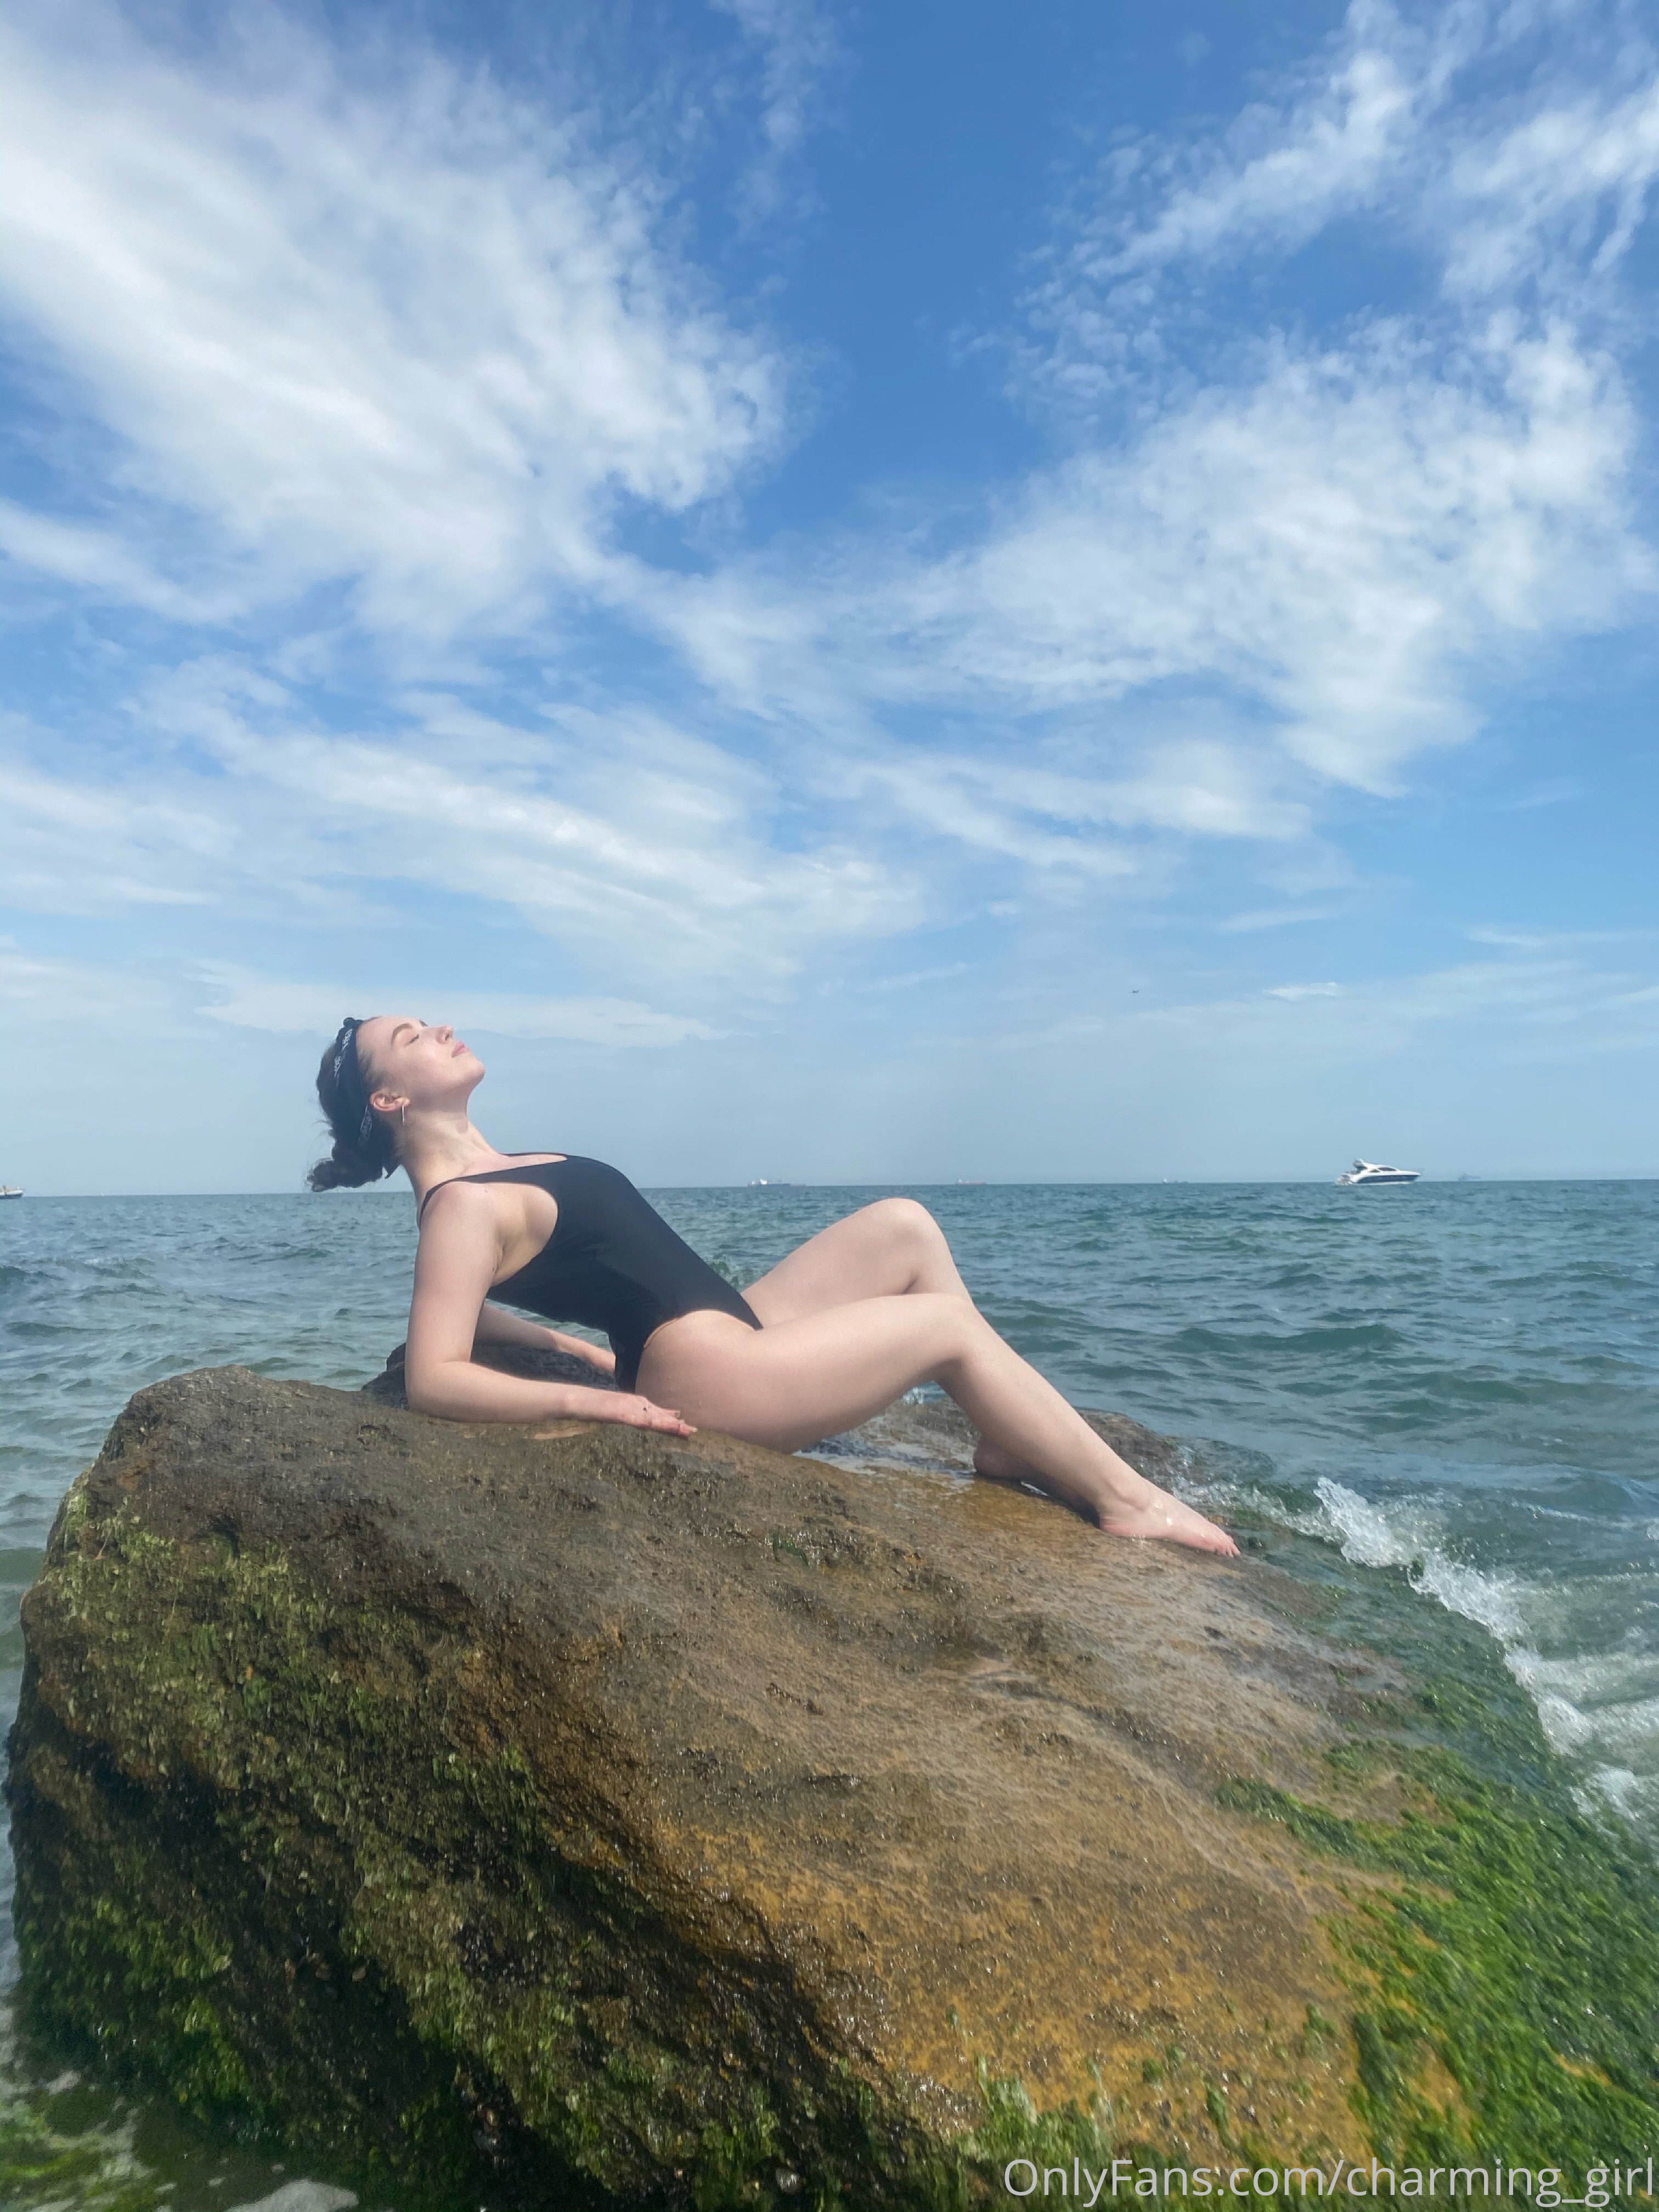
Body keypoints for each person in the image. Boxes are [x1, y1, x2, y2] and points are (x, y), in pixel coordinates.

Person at [309, 1015, 1238, 1556]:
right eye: (411, 1037)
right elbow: (434, 1374)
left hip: (729, 1327)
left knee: (904, 1225)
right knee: (945, 1328)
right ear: (390, 1101)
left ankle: (1004, 1439)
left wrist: (575, 1351)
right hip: (708, 1375)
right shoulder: (460, 1207)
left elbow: (466, 1318)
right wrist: (600, 1403)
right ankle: (1128, 1505)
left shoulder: (497, 1170)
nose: (439, 1028)